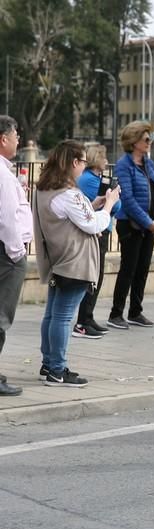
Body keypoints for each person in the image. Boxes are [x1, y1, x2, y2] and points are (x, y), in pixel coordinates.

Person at [33, 140, 120, 386]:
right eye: (82, 161)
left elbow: (72, 217)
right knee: (62, 317)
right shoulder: (69, 194)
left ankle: (48, 363)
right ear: (74, 162)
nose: (84, 166)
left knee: (52, 314)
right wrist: (111, 203)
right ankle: (57, 370)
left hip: (57, 258)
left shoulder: (44, 189)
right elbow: (93, 224)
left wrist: (94, 205)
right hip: (76, 262)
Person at [108, 121, 154, 330]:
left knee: (143, 269)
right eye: (146, 139)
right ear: (134, 141)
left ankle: (135, 312)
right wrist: (147, 222)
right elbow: (128, 199)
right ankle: (116, 313)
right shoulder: (124, 165)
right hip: (130, 225)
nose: (150, 142)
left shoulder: (149, 164)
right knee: (128, 269)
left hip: (149, 225)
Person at [72, 144, 119, 339]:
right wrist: (112, 200)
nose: (107, 160)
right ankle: (83, 321)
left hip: (101, 228)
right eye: (104, 156)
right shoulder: (90, 180)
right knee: (93, 277)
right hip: (96, 231)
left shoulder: (95, 179)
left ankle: (87, 317)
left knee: (97, 276)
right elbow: (115, 207)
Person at [0, 116, 31, 396]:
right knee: (1, 316)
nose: (18, 139)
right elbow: (7, 218)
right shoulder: (2, 175)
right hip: (6, 254)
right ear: (3, 139)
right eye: (16, 135)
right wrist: (16, 251)